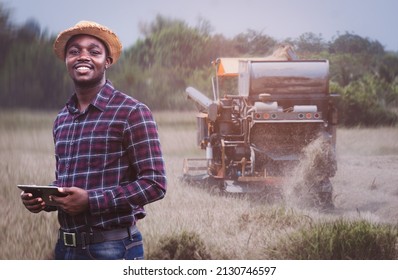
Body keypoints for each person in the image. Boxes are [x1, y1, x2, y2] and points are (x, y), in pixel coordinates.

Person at [20, 21, 167, 260]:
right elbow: (70, 181)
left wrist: (91, 201)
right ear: (66, 60)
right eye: (74, 51)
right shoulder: (62, 118)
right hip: (65, 249)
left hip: (113, 249)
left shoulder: (132, 111)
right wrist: (45, 199)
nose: (83, 56)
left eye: (94, 51)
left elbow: (155, 183)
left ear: (107, 61)